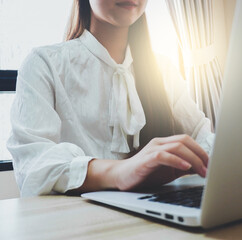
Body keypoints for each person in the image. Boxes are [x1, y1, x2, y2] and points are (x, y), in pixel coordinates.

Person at [7, 0, 214, 197]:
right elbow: (34, 166)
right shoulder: (45, 64)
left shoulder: (163, 70)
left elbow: (203, 138)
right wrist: (121, 172)